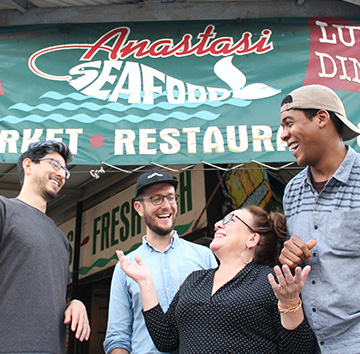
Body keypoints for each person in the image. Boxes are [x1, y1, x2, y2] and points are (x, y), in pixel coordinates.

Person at [118, 205, 317, 354]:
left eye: (231, 220)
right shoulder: (195, 280)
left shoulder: (271, 281)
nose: (218, 224)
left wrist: (291, 303)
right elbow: (166, 339)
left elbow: (299, 350)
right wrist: (145, 283)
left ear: (252, 239)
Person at [279, 84, 360, 353]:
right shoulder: (292, 191)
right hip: (308, 342)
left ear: (322, 118)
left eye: (289, 123)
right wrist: (290, 258)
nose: (284, 135)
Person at [103, 169, 217, 354]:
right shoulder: (125, 266)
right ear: (139, 208)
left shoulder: (204, 256)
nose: (166, 206)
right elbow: (118, 336)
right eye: (156, 199)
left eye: (171, 198)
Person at [0, 140, 90, 354]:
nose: (61, 174)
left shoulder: (61, 239)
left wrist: (74, 304)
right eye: (54, 164)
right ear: (28, 165)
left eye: (65, 171)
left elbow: (44, 294)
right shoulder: (4, 210)